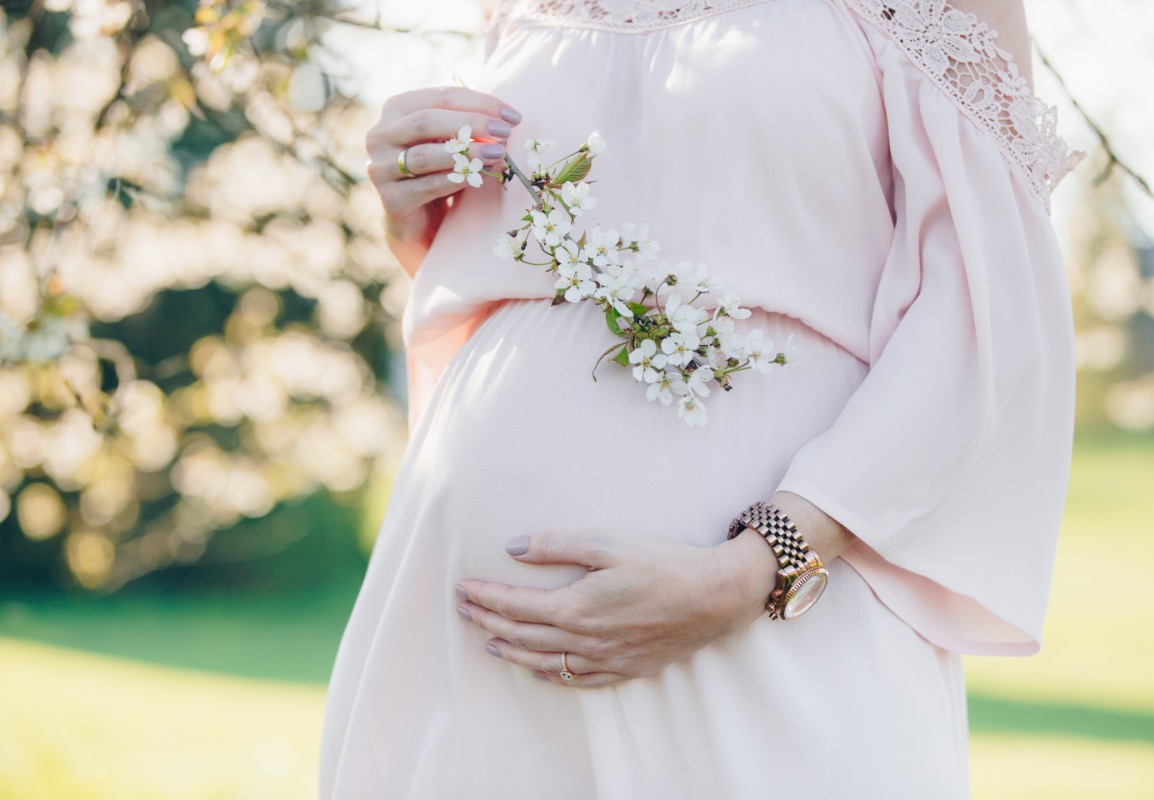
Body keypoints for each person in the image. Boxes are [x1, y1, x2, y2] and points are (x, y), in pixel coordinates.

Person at [319, 0, 1081, 796]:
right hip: (476, 627)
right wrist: (414, 213)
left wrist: (752, 570)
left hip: (766, 617)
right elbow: (530, 283)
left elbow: (990, 308)